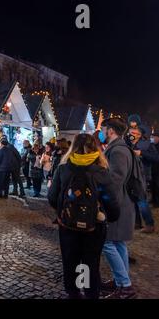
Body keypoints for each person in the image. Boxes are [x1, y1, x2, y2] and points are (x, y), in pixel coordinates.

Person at [48, 134, 120, 299]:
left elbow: (52, 197)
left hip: (67, 225)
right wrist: (110, 217)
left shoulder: (63, 168)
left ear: (73, 147)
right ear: (95, 148)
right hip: (94, 226)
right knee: (89, 261)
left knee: (70, 259)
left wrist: (62, 213)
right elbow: (111, 201)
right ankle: (89, 292)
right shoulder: (101, 170)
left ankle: (73, 293)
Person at [100, 118, 137, 299]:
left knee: (107, 242)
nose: (101, 132)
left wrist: (103, 201)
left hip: (116, 204)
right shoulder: (119, 148)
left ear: (111, 130)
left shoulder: (118, 150)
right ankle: (120, 280)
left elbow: (115, 180)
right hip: (120, 203)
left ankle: (125, 286)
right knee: (118, 242)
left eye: (103, 128)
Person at [126, 126, 158, 233]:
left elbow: (156, 158)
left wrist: (142, 153)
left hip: (142, 176)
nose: (132, 135)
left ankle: (149, 224)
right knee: (132, 199)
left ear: (139, 135)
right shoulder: (128, 143)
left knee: (141, 200)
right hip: (130, 175)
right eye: (130, 132)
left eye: (134, 133)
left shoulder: (148, 144)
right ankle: (137, 223)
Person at [151, 131, 159, 207]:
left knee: (157, 185)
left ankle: (157, 202)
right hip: (153, 168)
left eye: (154, 137)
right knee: (153, 184)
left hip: (157, 169)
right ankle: (153, 199)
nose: (152, 139)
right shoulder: (153, 145)